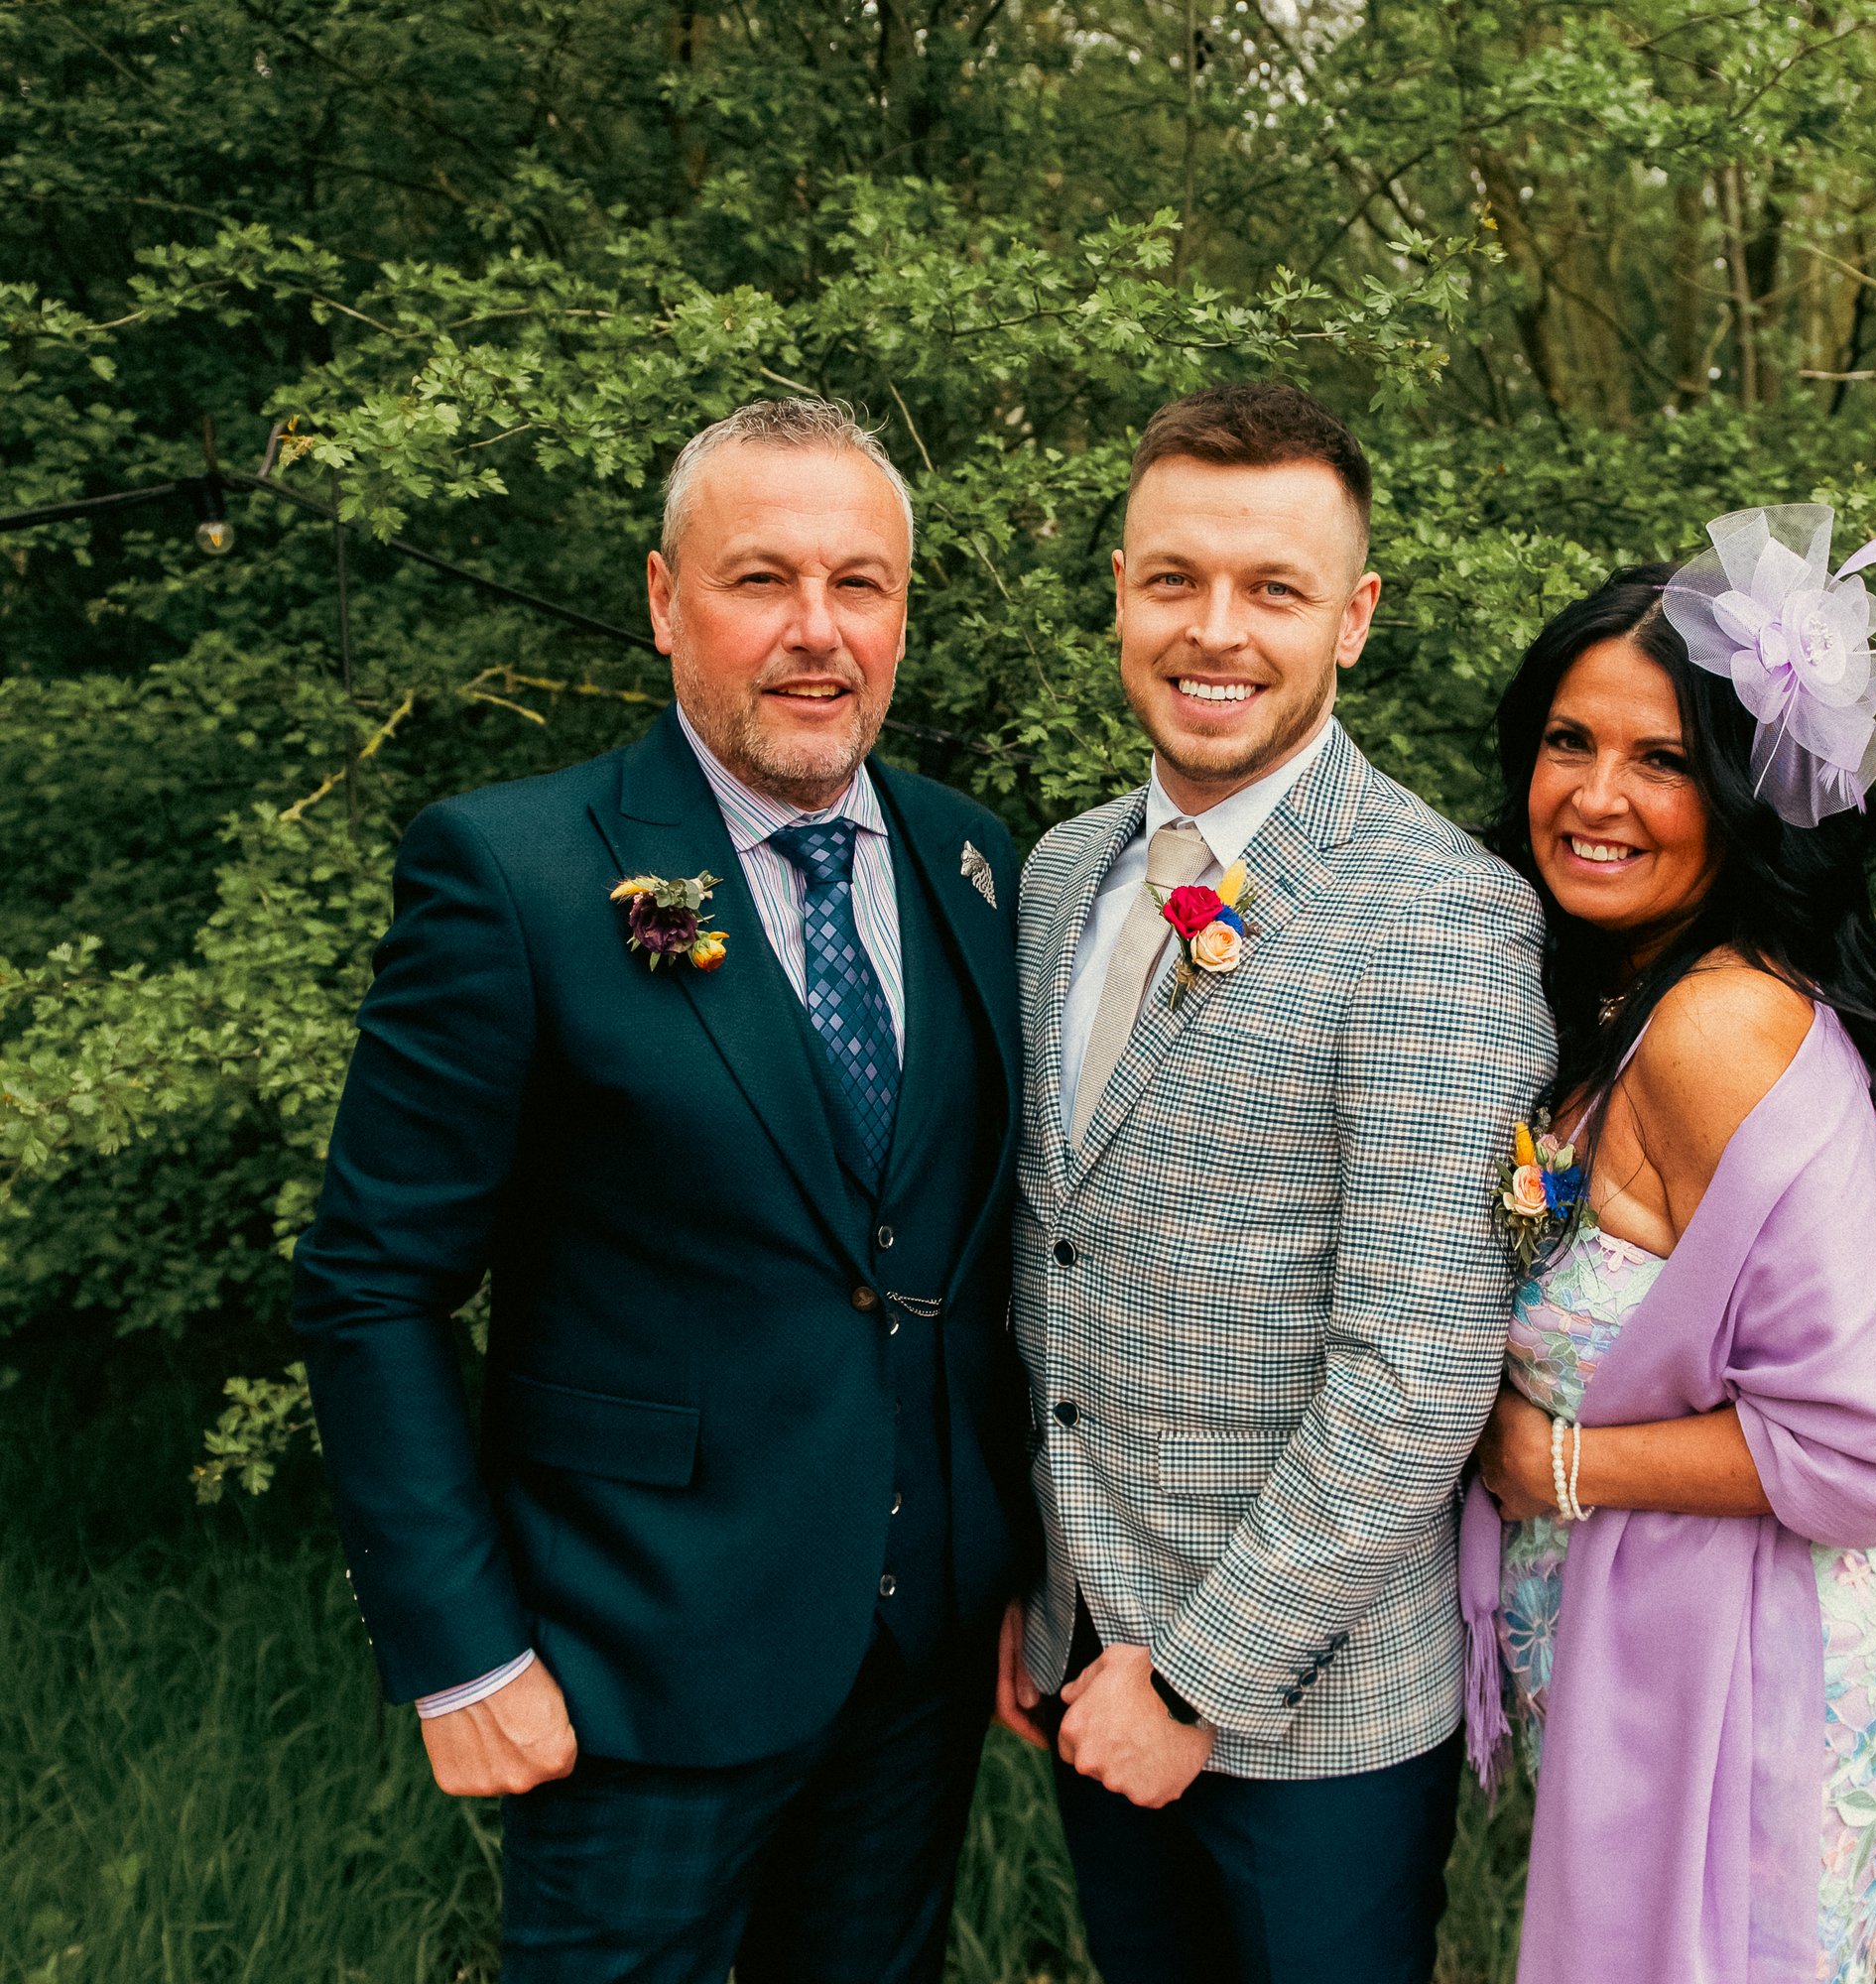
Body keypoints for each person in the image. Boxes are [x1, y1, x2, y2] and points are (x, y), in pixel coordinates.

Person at [292, 398, 1034, 1982]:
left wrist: (1014, 1567)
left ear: (906, 611)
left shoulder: (975, 862)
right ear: (660, 601)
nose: (817, 633)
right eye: (761, 579)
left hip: (914, 1662)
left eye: (862, 585)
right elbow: (373, 1284)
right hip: (632, 1658)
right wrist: (461, 1652)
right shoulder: (521, 872)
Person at [998, 380, 1557, 1984]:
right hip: (1081, 1651)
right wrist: (1044, 1605)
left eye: (1275, 589)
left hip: (1308, 1718)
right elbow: (1063, 1253)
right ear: (1119, 589)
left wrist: (1190, 1684)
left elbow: (1418, 1371)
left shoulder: (1437, 919)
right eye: (1173, 579)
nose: (1214, 630)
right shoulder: (1059, 874)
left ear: (1356, 619)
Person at [1463, 513, 1876, 1984]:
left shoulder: (1722, 1031)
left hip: (1754, 1677)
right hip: (1654, 1660)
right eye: (1568, 742)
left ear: (1745, 796)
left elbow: (1863, 1458)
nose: (1596, 796)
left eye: (1663, 761)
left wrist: (1542, 1461)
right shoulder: (1623, 1003)